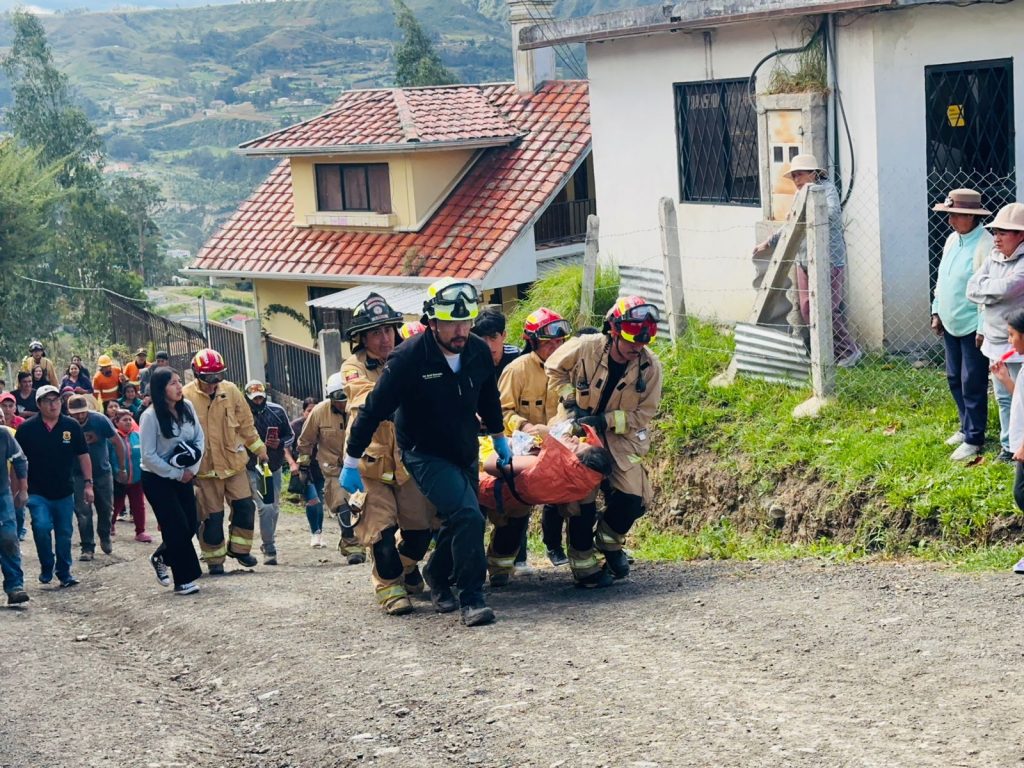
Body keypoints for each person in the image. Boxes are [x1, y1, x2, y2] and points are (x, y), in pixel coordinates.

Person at [342, 278, 508, 627]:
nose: (460, 331)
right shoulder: (408, 358)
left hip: (463, 447)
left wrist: (500, 436)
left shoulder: (477, 350)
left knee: (462, 514)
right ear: (432, 321)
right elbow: (372, 409)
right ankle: (472, 598)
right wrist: (351, 459)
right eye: (451, 323)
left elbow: (489, 397)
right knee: (469, 516)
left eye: (465, 322)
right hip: (422, 452)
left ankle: (435, 570)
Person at [545, 295, 664, 587]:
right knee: (580, 499)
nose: (638, 348)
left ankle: (609, 542)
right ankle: (584, 564)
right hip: (576, 429)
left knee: (633, 499)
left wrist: (606, 421)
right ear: (614, 330)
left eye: (643, 342)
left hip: (619, 437)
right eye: (632, 341)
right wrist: (571, 402)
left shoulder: (650, 367)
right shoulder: (586, 347)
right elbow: (553, 368)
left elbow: (644, 412)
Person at [340, 293, 436, 615]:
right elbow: (370, 399)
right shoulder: (353, 368)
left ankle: (404, 565)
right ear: (361, 338)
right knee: (380, 534)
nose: (384, 339)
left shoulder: (408, 357)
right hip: (370, 464)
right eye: (375, 333)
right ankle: (389, 585)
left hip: (408, 462)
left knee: (420, 534)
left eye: (388, 330)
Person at [487, 308, 573, 583]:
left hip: (561, 447)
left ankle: (584, 560)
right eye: (549, 342)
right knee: (515, 506)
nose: (556, 347)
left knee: (579, 500)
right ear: (533, 342)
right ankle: (500, 565)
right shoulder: (517, 370)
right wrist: (523, 426)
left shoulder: (571, 369)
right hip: (524, 450)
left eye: (560, 342)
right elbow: (500, 412)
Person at [753, 153, 862, 368]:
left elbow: (830, 214)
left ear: (813, 174)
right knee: (806, 309)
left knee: (827, 309)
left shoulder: (825, 189)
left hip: (828, 260)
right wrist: (769, 242)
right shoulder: (799, 195)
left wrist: (810, 202)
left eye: (800, 174)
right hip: (804, 259)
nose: (796, 180)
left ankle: (850, 351)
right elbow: (791, 224)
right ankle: (827, 353)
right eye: (793, 176)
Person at [183, 349, 267, 574]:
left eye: (218, 377)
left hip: (234, 463)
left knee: (245, 507)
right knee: (212, 517)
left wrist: (259, 449)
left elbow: (246, 423)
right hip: (205, 469)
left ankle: (240, 550)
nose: (214, 383)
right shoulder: (185, 397)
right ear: (196, 374)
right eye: (209, 378)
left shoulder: (230, 391)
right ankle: (214, 561)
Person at [931, 189, 994, 462]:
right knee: (954, 376)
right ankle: (964, 425)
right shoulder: (951, 239)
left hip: (972, 325)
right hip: (950, 320)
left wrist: (982, 327)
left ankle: (974, 437)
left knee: (973, 381)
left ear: (971, 215)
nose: (950, 221)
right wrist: (936, 311)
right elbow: (943, 278)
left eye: (955, 215)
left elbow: (988, 290)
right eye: (949, 215)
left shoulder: (985, 245)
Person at [16, 385, 92, 588]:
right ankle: (47, 565)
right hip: (37, 490)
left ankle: (64, 572)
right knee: (41, 527)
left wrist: (88, 484)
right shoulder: (26, 429)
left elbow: (83, 455)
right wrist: (19, 489)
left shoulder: (71, 426)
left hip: (64, 491)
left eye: (56, 400)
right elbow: (17, 461)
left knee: (65, 532)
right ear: (39, 404)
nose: (53, 404)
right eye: (48, 401)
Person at [140, 368, 205, 595]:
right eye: (172, 383)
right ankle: (183, 580)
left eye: (179, 382)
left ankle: (161, 556)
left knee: (189, 523)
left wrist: (191, 469)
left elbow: (199, 438)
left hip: (185, 474)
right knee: (175, 525)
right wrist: (177, 474)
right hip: (157, 479)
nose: (179, 387)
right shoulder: (149, 416)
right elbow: (148, 455)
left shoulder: (187, 408)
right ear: (160, 389)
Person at [967, 202, 1024, 462]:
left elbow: (1007, 289)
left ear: (1020, 235)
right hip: (995, 340)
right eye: (996, 231)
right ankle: (1008, 446)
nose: (996, 237)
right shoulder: (993, 256)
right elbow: (972, 289)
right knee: (1002, 396)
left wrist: (989, 291)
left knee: (1020, 396)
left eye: (1003, 232)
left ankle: (1020, 445)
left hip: (1018, 343)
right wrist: (994, 291)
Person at [296, 374, 361, 561]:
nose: (343, 402)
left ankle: (365, 543)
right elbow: (306, 440)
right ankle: (352, 547)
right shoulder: (319, 412)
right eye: (338, 397)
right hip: (333, 470)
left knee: (364, 508)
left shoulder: (361, 408)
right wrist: (304, 467)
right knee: (343, 506)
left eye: (346, 396)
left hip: (362, 467)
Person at [243, 380, 294, 566]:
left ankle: (268, 541)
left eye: (260, 398)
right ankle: (269, 545)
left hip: (274, 465)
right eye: (254, 399)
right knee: (265, 507)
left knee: (274, 507)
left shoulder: (277, 411)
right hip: (251, 467)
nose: (258, 401)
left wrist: (279, 443)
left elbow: (290, 436)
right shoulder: (242, 415)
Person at [67, 395, 122, 561]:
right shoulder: (67, 426)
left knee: (106, 509)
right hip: (78, 474)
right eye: (75, 413)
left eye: (82, 412)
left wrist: (122, 467)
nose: (79, 416)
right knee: (83, 512)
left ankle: (104, 535)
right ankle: (87, 546)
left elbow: (117, 442)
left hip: (102, 471)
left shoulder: (100, 420)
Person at [0, 413, 29, 604]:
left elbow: (19, 460)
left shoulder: (4, 435)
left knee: (9, 537)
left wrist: (23, 489)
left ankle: (15, 585)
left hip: (1, 495)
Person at [111, 409, 150, 543]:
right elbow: (109, 458)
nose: (128, 422)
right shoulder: (112, 438)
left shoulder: (138, 436)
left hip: (137, 479)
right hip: (118, 479)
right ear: (116, 422)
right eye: (124, 420)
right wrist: (116, 472)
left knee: (138, 505)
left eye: (129, 420)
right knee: (116, 504)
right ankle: (109, 525)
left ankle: (140, 531)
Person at [290, 397, 325, 547]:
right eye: (309, 411)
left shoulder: (323, 424)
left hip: (321, 467)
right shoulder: (295, 426)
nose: (311, 414)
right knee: (313, 500)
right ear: (303, 411)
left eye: (314, 411)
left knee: (320, 502)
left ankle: (319, 533)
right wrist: (292, 464)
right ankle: (314, 533)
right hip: (304, 469)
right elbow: (286, 446)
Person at [472, 306, 521, 379]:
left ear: (503, 335)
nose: (489, 345)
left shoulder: (518, 356)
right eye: (483, 339)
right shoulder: (471, 361)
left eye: (493, 337)